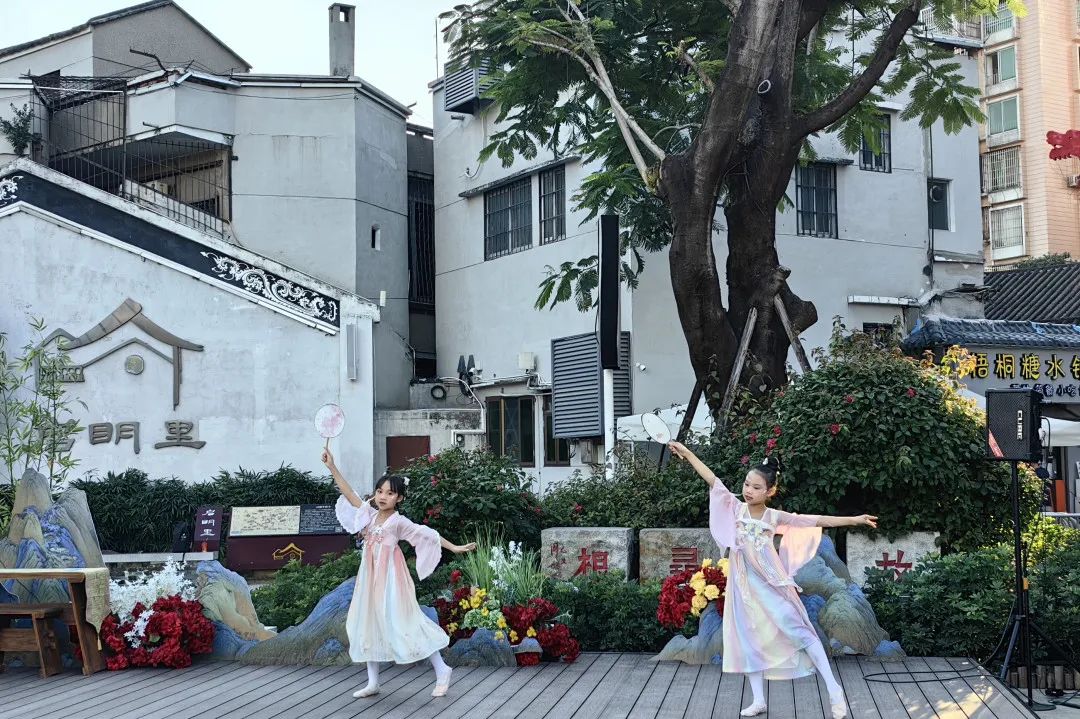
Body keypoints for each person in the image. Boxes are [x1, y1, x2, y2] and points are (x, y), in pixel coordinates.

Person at [667, 441, 877, 719]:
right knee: (748, 638)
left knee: (801, 630)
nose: (748, 490)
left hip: (772, 584)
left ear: (770, 491)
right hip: (744, 586)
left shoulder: (774, 516)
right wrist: (688, 453)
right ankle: (758, 700)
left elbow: (815, 520)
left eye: (756, 487)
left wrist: (855, 519)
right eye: (746, 484)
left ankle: (833, 688)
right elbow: (712, 479)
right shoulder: (736, 508)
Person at [322, 448, 476, 699]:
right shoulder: (369, 515)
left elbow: (428, 534)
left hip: (392, 581)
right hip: (370, 579)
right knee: (369, 622)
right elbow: (349, 493)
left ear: (399, 498)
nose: (383, 496)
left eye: (390, 493)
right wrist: (332, 466)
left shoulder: (398, 522)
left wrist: (455, 547)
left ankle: (442, 669)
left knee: (407, 622)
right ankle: (373, 682)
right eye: (379, 491)